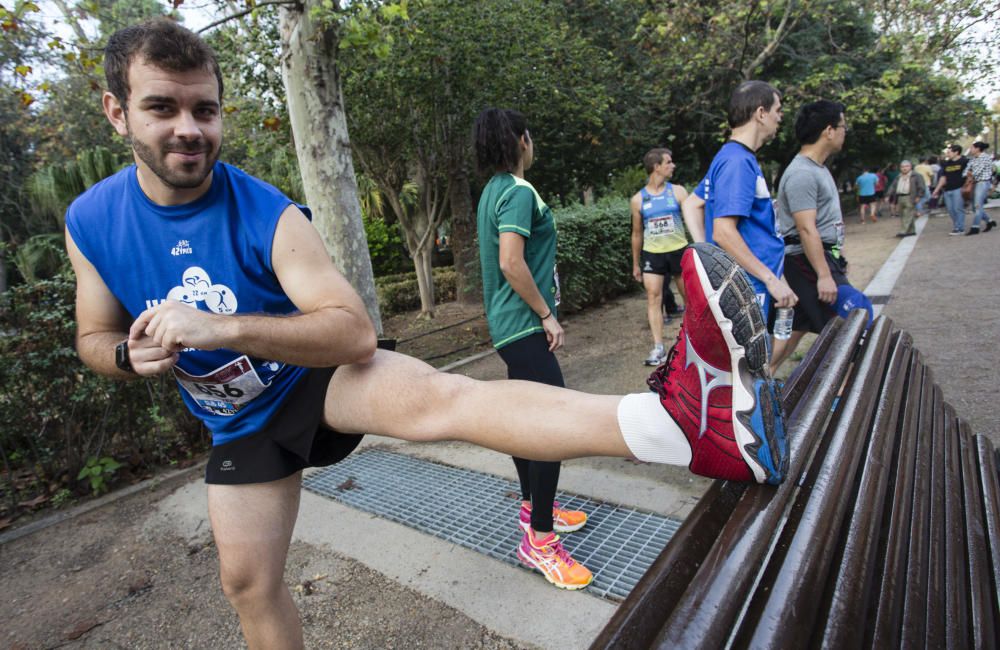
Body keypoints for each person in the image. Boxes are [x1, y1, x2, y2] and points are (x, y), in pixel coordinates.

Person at [65, 20, 786, 648]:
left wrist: (219, 327)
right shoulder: (91, 222)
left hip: (311, 377)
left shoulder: (265, 212)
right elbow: (93, 338)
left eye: (205, 109)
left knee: (448, 400)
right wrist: (130, 354)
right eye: (162, 107)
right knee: (247, 584)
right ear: (116, 112)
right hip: (237, 428)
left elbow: (352, 333)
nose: (188, 127)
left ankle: (685, 425)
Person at [473, 108, 591, 590]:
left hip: (506, 327)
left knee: (527, 424)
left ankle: (533, 508)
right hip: (523, 324)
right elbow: (510, 262)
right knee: (553, 427)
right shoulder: (519, 192)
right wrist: (546, 313)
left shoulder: (492, 191)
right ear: (522, 140)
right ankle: (539, 541)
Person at [681, 80, 797, 362]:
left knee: (751, 366)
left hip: (750, 282)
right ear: (760, 113)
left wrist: (707, 255)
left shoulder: (732, 156)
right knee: (748, 368)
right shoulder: (737, 162)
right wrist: (770, 279)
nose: (780, 117)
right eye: (777, 110)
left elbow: (692, 202)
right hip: (749, 287)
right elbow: (723, 231)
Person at [772, 100, 856, 372]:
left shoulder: (818, 168)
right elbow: (806, 228)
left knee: (794, 331)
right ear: (828, 131)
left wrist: (837, 259)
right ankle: (840, 397)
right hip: (805, 262)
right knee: (844, 329)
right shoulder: (801, 174)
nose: (845, 132)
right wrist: (823, 274)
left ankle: (757, 381)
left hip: (819, 258)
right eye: (843, 126)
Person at [630, 147, 690, 365]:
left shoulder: (678, 192)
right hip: (653, 254)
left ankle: (693, 345)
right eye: (668, 162)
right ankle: (658, 348)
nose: (672, 166)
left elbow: (693, 219)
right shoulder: (638, 199)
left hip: (678, 251)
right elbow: (636, 233)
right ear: (656, 167)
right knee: (654, 299)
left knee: (690, 300)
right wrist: (636, 263)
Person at [932, 144, 969, 235]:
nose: (947, 154)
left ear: (956, 152)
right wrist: (937, 189)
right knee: (950, 209)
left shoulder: (964, 161)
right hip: (947, 190)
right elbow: (943, 178)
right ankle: (957, 226)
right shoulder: (946, 163)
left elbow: (969, 175)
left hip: (958, 189)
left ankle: (960, 228)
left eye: (949, 152)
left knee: (958, 208)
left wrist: (966, 186)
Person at [886, 160, 927, 238]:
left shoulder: (916, 175)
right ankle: (911, 231)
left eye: (906, 166)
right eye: (902, 166)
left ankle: (903, 231)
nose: (904, 168)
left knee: (907, 214)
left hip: (910, 196)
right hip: (900, 197)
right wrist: (888, 195)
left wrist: (919, 196)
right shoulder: (898, 176)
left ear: (910, 167)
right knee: (903, 214)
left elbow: (921, 187)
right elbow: (893, 186)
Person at [966, 141, 997, 235]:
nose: (970, 149)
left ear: (977, 149)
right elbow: (968, 171)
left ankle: (975, 227)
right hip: (977, 183)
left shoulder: (985, 158)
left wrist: (970, 174)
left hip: (983, 183)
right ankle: (989, 221)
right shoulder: (974, 159)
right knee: (975, 208)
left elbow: (975, 172)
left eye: (972, 148)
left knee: (977, 206)